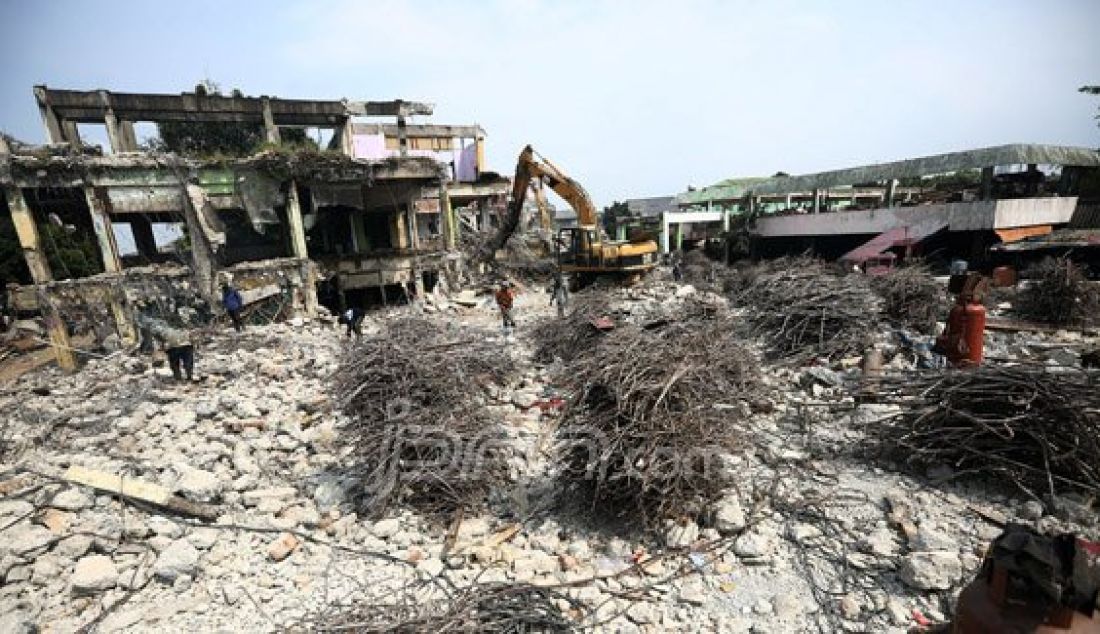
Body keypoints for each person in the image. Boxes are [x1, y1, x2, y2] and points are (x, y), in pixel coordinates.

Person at [140, 315, 194, 382]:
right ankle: (188, 377)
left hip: (173, 347)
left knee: (174, 364)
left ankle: (178, 378)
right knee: (187, 362)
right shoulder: (183, 326)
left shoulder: (160, 327)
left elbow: (160, 337)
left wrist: (162, 347)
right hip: (185, 345)